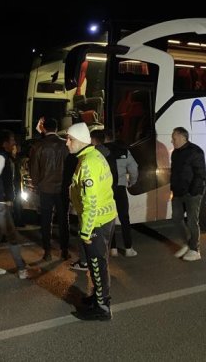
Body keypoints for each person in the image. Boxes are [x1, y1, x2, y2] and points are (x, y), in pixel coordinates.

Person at [66, 123, 117, 321]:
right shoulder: (93, 156)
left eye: (70, 139)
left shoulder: (88, 163)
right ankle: (98, 297)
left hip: (96, 222)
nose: (67, 143)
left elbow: (91, 202)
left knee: (97, 264)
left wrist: (86, 232)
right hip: (105, 218)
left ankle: (102, 307)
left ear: (80, 140)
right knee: (100, 263)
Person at [0, 130, 31, 280]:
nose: (14, 143)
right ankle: (21, 268)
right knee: (12, 236)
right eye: (11, 141)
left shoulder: (5, 157)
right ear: (4, 143)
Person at [29, 118, 69, 261]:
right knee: (64, 220)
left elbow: (34, 169)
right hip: (62, 189)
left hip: (45, 189)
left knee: (46, 220)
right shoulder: (65, 144)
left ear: (44, 129)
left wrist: (36, 183)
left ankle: (47, 252)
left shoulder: (38, 146)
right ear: (57, 128)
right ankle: (64, 250)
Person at [170, 126, 206, 262]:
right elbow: (175, 173)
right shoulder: (175, 153)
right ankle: (187, 243)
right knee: (176, 218)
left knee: (192, 220)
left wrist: (192, 191)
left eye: (174, 138)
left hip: (192, 193)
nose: (172, 141)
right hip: (178, 193)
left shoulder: (195, 152)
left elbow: (200, 174)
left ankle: (195, 250)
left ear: (182, 137)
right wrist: (173, 189)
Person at [102, 129, 138, 257]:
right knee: (124, 218)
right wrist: (131, 182)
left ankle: (113, 249)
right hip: (121, 188)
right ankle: (128, 248)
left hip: (106, 190)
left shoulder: (100, 151)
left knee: (109, 218)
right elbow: (134, 169)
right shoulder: (124, 150)